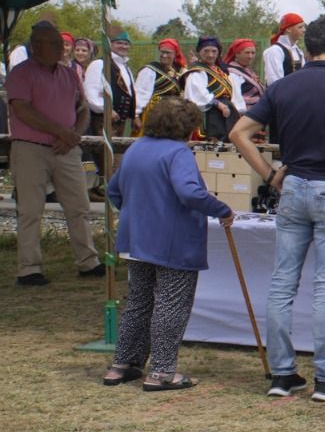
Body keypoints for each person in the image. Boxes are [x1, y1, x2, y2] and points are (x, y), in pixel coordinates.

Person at [229, 15, 325, 402]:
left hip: (294, 186)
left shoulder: (282, 86)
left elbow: (238, 133)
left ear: (307, 45)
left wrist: (269, 173)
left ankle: (283, 374)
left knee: (282, 284)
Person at [101, 98, 234, 391]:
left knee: (138, 301)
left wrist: (138, 211)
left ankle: (122, 364)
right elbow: (189, 193)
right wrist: (221, 208)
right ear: (188, 128)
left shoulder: (136, 148)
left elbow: (114, 190)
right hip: (172, 240)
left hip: (137, 238)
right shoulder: (178, 153)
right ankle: (161, 371)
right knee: (170, 303)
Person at [7, 23, 102, 285]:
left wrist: (73, 134)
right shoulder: (21, 74)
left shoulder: (69, 74)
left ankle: (88, 261)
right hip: (30, 149)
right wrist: (62, 131)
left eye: (56, 44)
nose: (62, 49)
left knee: (79, 206)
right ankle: (29, 269)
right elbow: (23, 110)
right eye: (53, 44)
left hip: (66, 149)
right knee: (30, 210)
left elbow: (82, 108)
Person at [85, 30, 137, 139]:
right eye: (119, 43)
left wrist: (134, 115)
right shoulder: (99, 64)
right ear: (110, 44)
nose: (123, 46)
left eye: (126, 43)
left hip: (120, 123)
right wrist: (106, 109)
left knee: (115, 153)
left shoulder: (125, 67)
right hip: (102, 121)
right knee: (103, 154)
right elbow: (91, 94)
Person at [182, 36, 235, 141]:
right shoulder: (197, 71)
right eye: (206, 51)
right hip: (208, 116)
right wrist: (218, 104)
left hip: (226, 114)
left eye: (214, 51)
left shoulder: (222, 72)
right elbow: (198, 94)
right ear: (200, 52)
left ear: (218, 53)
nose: (210, 55)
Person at [134, 39, 185, 130]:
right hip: (154, 115)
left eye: (168, 53)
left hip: (176, 116)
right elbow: (140, 93)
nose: (164, 55)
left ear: (175, 54)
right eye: (162, 52)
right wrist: (136, 115)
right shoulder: (150, 70)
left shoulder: (181, 72)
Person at [263, 13, 306, 85]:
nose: (304, 30)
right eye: (300, 27)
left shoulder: (298, 51)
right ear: (288, 29)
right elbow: (274, 82)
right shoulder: (275, 51)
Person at [225, 39, 265, 113]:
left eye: (253, 53)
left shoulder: (245, 70)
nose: (250, 56)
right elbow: (235, 98)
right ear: (237, 54)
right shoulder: (232, 73)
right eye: (247, 53)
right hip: (246, 114)